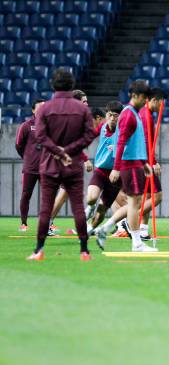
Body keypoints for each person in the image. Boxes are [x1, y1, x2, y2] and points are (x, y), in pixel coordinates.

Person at [27, 68, 97, 260]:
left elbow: (40, 136)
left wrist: (58, 152)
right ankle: (84, 251)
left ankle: (39, 250)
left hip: (50, 165)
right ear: (72, 85)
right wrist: (69, 151)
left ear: (53, 85)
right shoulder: (82, 109)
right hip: (73, 165)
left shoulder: (45, 109)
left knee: (45, 208)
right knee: (77, 209)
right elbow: (89, 134)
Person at [99, 80, 157, 252]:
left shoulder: (134, 114)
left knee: (135, 203)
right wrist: (116, 168)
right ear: (135, 96)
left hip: (135, 164)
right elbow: (121, 141)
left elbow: (134, 143)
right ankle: (136, 243)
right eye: (144, 97)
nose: (146, 101)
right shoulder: (129, 114)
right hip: (128, 166)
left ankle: (106, 228)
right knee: (134, 203)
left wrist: (144, 163)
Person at [47, 90, 97, 234]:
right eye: (84, 101)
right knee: (64, 194)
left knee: (65, 194)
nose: (87, 104)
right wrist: (86, 160)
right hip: (65, 160)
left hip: (64, 159)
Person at [85, 101, 123, 232]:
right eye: (110, 115)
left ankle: (89, 230)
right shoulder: (101, 127)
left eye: (116, 115)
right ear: (106, 115)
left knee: (102, 209)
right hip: (101, 170)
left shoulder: (124, 130)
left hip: (117, 174)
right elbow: (88, 137)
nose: (112, 118)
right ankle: (89, 208)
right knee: (91, 198)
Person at [138, 87, 167, 240]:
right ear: (155, 100)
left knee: (148, 195)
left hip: (144, 160)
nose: (162, 106)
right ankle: (131, 220)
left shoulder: (146, 113)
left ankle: (143, 229)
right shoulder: (146, 116)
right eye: (161, 102)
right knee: (158, 196)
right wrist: (153, 162)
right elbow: (146, 142)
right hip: (145, 162)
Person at [15, 98, 45, 231]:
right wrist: (27, 157)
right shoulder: (26, 126)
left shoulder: (50, 126)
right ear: (33, 110)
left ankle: (46, 223)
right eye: (39, 108)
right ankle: (24, 223)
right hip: (30, 168)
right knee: (26, 194)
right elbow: (18, 145)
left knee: (47, 196)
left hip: (46, 168)